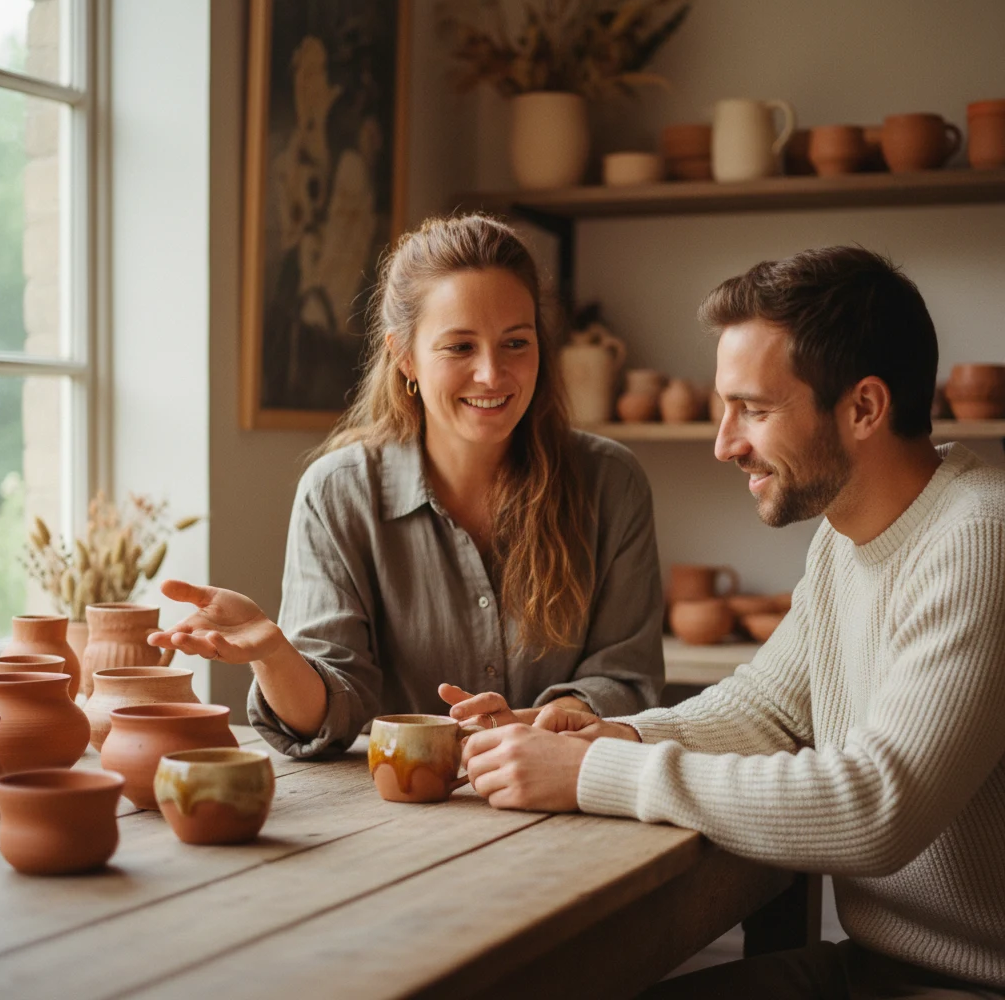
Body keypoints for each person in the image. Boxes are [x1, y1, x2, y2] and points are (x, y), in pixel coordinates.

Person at [459, 246, 1005, 997]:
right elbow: (769, 708)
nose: (725, 442)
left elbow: (879, 807)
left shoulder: (980, 535)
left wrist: (596, 774)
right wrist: (613, 735)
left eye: (753, 408)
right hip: (875, 970)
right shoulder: (847, 539)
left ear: (864, 408)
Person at [150, 213, 665, 759]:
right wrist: (275, 655)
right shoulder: (338, 494)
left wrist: (545, 721)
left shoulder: (611, 483)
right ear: (403, 357)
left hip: (567, 803)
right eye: (460, 347)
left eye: (516, 342)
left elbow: (625, 678)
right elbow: (328, 716)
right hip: (398, 810)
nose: (492, 373)